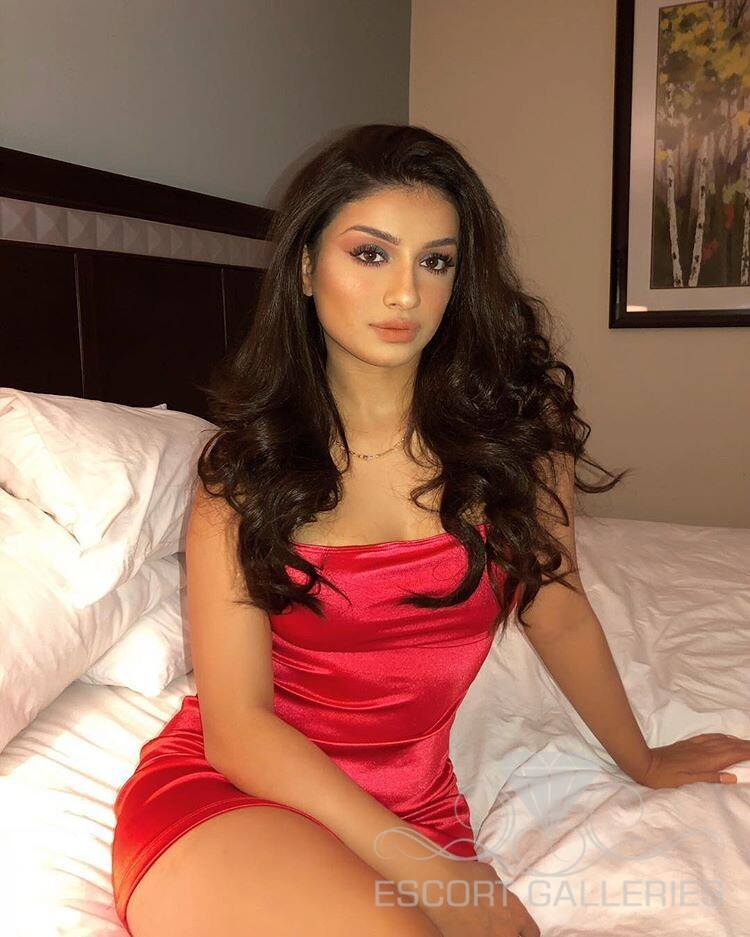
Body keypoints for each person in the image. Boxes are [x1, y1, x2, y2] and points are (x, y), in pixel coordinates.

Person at [110, 123, 750, 937]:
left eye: (436, 261)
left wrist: (645, 759)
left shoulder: (516, 448)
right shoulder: (243, 474)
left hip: (414, 804)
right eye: (370, 254)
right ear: (305, 267)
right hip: (238, 796)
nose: (406, 293)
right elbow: (239, 731)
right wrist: (429, 870)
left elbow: (557, 612)